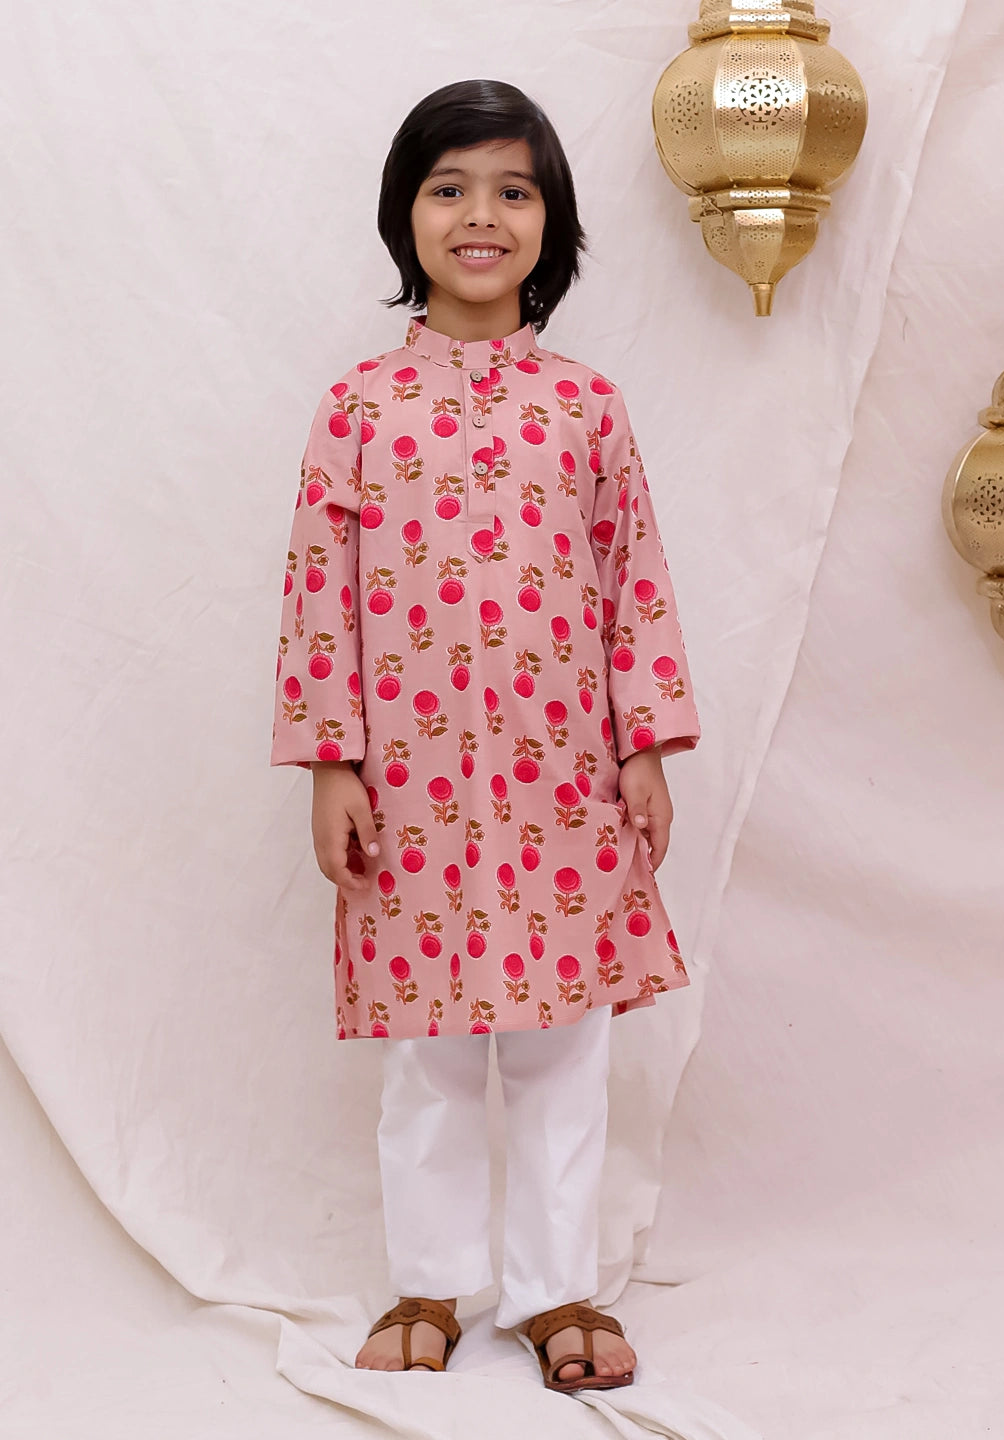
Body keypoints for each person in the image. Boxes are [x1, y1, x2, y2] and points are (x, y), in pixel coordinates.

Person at [271, 78, 700, 1394]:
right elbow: (320, 594)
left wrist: (646, 745)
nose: (481, 216)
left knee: (567, 1044)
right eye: (450, 187)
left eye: (513, 190)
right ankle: (428, 1284)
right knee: (434, 1050)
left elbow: (634, 578)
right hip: (410, 787)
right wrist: (332, 762)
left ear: (550, 220)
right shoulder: (358, 408)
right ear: (406, 215)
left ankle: (558, 1290)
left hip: (565, 780)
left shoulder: (587, 407)